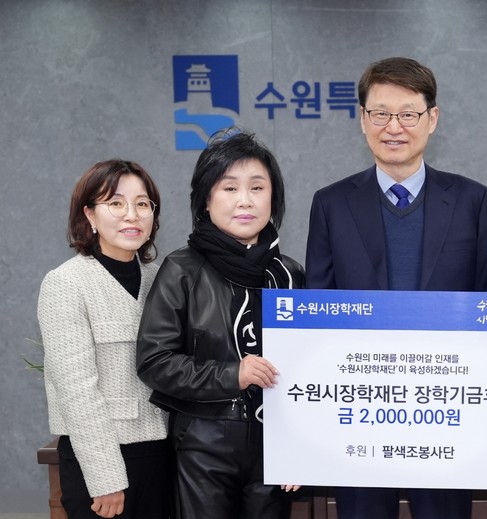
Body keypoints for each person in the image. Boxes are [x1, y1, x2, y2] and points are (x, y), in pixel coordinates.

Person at [305, 57, 487, 519]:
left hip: (447, 412)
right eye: (380, 113)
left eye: (408, 114)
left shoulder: (472, 201)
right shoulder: (331, 204)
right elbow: (319, 312)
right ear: (362, 119)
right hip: (359, 414)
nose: (394, 127)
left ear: (432, 119)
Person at [136, 129, 303, 519]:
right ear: (206, 200)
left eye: (257, 187)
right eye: (229, 188)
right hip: (203, 443)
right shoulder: (182, 269)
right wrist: (232, 375)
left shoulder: (289, 273)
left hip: (275, 447)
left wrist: (300, 449)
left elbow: (311, 369)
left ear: (273, 198)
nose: (245, 200)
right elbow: (154, 361)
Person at [38, 160, 170, 519]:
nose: (132, 215)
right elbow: (77, 393)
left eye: (142, 204)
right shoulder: (66, 284)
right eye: (115, 203)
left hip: (163, 455)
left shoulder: (164, 279)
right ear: (89, 215)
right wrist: (106, 479)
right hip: (102, 461)